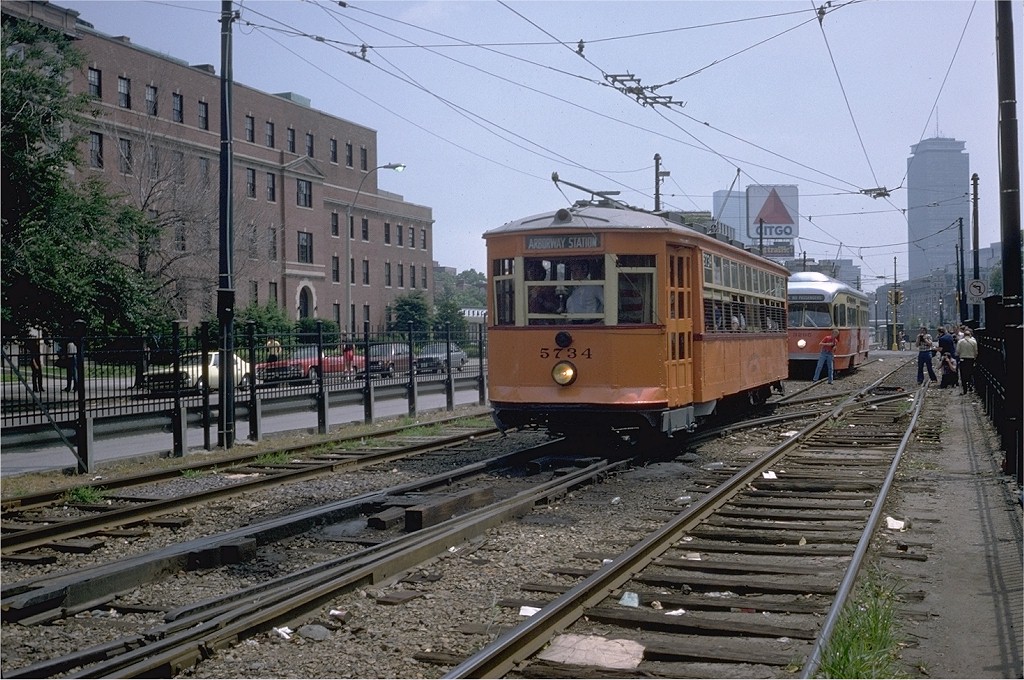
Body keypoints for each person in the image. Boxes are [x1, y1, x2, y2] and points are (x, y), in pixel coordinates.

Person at [956, 328, 978, 394]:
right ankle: (970, 385)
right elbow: (976, 352)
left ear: (964, 335)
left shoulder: (960, 342)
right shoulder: (974, 342)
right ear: (970, 335)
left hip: (963, 359)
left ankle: (965, 389)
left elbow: (958, 351)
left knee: (963, 375)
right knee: (970, 373)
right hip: (971, 359)